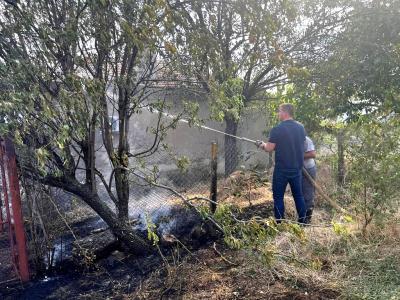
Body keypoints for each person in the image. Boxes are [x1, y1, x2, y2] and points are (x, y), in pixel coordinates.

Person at [256, 103, 307, 224]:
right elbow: (302, 146)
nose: (278, 114)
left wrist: (261, 145)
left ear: (285, 112)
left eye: (279, 111)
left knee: (278, 197)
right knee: (298, 196)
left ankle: (279, 224)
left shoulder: (277, 129)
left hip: (282, 169)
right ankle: (303, 223)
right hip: (296, 169)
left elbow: (269, 148)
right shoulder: (301, 128)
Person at [303, 136, 317, 223]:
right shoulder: (289, 139)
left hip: (308, 168)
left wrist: (298, 155)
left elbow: (312, 154)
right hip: (297, 169)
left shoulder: (306, 140)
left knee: (308, 192)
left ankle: (307, 219)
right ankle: (301, 217)